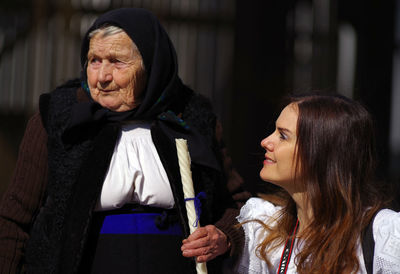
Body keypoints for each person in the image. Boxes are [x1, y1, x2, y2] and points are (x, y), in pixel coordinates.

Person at [0, 8, 248, 274]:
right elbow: (14, 221)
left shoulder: (193, 119)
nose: (102, 77)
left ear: (151, 65)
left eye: (117, 62)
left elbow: (239, 207)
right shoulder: (59, 119)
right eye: (94, 60)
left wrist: (223, 236)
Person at [234, 94, 400, 273]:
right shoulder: (266, 232)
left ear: (320, 152)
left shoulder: (384, 236)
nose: (265, 142)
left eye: (283, 136)